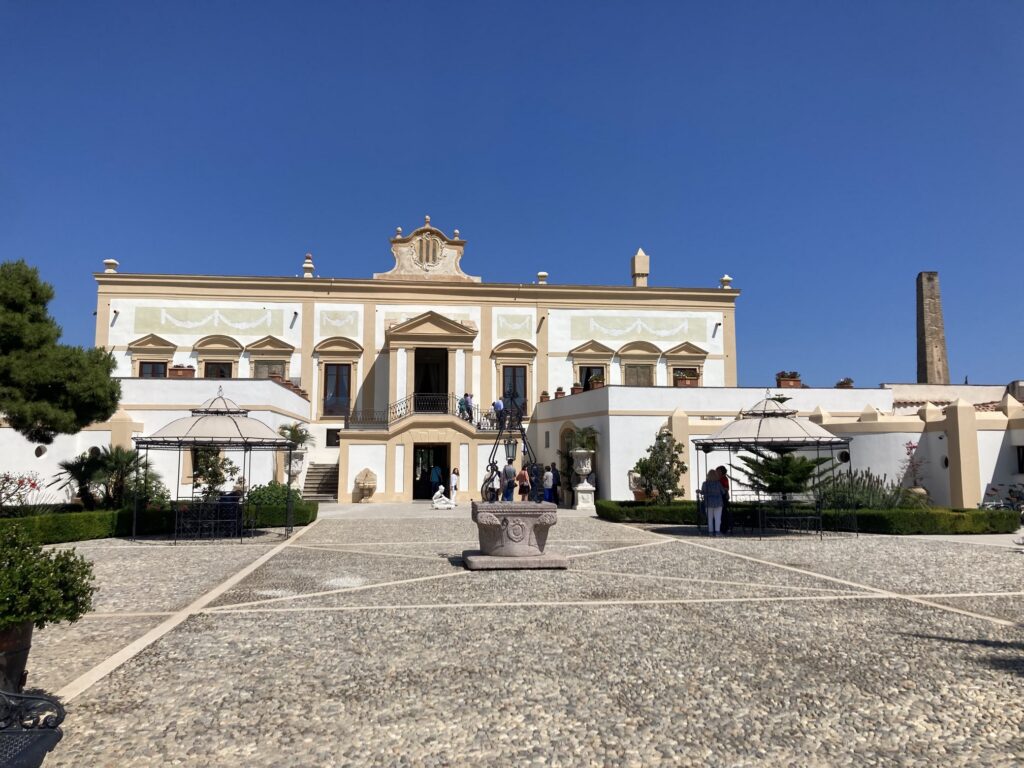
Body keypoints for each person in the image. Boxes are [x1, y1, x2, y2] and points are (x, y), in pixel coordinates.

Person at [702, 469, 725, 536]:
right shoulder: (718, 483)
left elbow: (703, 492)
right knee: (718, 518)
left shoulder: (705, 483)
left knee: (710, 519)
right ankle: (717, 532)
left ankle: (710, 532)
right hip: (718, 502)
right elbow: (723, 492)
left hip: (708, 502)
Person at [716, 465, 731, 534]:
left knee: (723, 513)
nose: (717, 472)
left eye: (718, 471)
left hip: (723, 497)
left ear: (722, 471)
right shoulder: (717, 478)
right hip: (718, 497)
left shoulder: (724, 478)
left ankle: (724, 528)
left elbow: (726, 488)